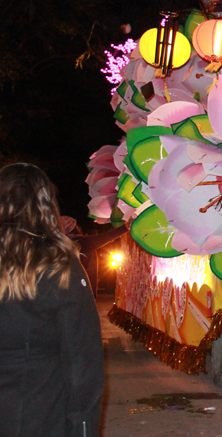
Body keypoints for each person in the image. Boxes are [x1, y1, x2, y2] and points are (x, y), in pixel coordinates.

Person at [0, 163, 105, 437]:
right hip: (35, 409)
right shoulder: (58, 264)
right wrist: (83, 427)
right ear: (46, 205)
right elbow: (81, 357)